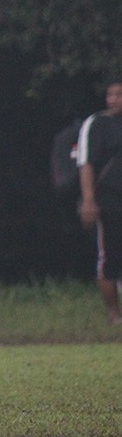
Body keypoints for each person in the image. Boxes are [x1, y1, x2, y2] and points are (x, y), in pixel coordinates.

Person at [76, 77, 122, 324]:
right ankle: (114, 314)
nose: (114, 100)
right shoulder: (97, 124)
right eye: (111, 94)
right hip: (110, 199)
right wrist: (89, 199)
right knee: (110, 257)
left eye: (119, 94)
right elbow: (86, 163)